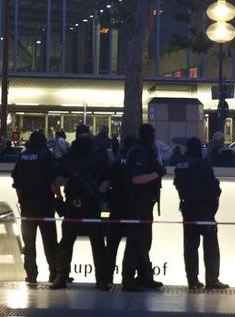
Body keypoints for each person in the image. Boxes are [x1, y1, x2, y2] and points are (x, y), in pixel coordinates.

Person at [51, 124, 111, 290]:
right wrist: (98, 192)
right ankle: (101, 280)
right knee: (94, 243)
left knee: (71, 242)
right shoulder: (94, 154)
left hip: (81, 201)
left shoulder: (73, 155)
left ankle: (61, 276)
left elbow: (56, 180)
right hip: (82, 202)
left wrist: (61, 196)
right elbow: (107, 178)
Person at [174, 137, 229, 291]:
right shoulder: (202, 165)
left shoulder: (181, 165)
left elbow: (178, 185)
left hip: (187, 209)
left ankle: (192, 281)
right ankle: (212, 280)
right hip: (205, 211)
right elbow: (214, 188)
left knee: (190, 247)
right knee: (211, 246)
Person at [121, 123, 165, 292]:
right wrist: (157, 173)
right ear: (150, 136)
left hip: (145, 204)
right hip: (138, 204)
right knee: (135, 243)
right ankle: (128, 280)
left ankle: (145, 277)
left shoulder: (144, 151)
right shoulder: (140, 152)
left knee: (144, 243)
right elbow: (136, 179)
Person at [11, 130, 59, 284]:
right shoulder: (47, 156)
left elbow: (16, 183)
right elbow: (53, 181)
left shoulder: (23, 156)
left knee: (29, 244)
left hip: (27, 207)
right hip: (45, 205)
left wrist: (21, 200)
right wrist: (59, 198)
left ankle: (31, 275)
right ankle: (53, 273)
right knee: (50, 242)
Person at [105, 135, 139, 285]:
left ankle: (107, 278)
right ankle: (128, 279)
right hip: (132, 208)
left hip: (116, 207)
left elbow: (107, 181)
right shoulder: (135, 163)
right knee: (132, 247)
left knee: (111, 246)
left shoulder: (115, 162)